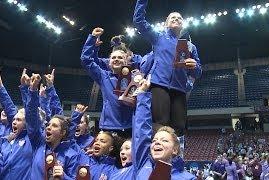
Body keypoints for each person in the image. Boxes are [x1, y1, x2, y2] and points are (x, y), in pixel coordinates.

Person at [133, 0, 202, 139]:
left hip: (179, 89)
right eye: (172, 17)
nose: (176, 19)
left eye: (179, 18)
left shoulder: (190, 47)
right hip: (159, 85)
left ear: (182, 24)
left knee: (179, 127)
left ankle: (174, 158)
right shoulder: (158, 37)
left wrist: (195, 66)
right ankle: (155, 156)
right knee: (161, 124)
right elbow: (139, 22)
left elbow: (198, 73)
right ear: (166, 23)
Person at [131, 75, 195, 179]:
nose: (157, 142)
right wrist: (142, 95)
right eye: (154, 140)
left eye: (164, 140)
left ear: (175, 150)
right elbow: (141, 132)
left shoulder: (188, 178)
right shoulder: (143, 164)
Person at [25, 72, 84, 180]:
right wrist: (33, 90)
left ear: (63, 133)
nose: (48, 127)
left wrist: (64, 176)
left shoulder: (71, 154)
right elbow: (31, 117)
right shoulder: (38, 143)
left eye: (54, 126)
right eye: (48, 125)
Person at [80, 27, 135, 138]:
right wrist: (92, 38)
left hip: (131, 126)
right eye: (113, 57)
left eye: (120, 57)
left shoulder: (135, 78)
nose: (116, 59)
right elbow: (85, 60)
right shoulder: (103, 76)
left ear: (126, 61)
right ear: (109, 63)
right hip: (109, 127)